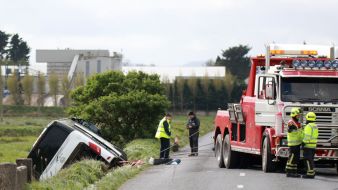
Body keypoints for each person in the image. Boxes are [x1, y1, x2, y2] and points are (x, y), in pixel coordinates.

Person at [285, 107, 302, 177]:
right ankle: (288, 171)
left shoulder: (297, 123)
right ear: (294, 115)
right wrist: (292, 128)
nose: (299, 116)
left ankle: (294, 172)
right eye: (298, 115)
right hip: (292, 144)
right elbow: (289, 129)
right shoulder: (291, 122)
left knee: (296, 158)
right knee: (292, 157)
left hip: (297, 143)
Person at [302, 112, 318, 179]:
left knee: (307, 159)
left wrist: (303, 143)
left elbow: (307, 136)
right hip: (313, 145)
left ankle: (310, 173)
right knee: (311, 159)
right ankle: (312, 172)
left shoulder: (308, 126)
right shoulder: (315, 125)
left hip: (308, 145)